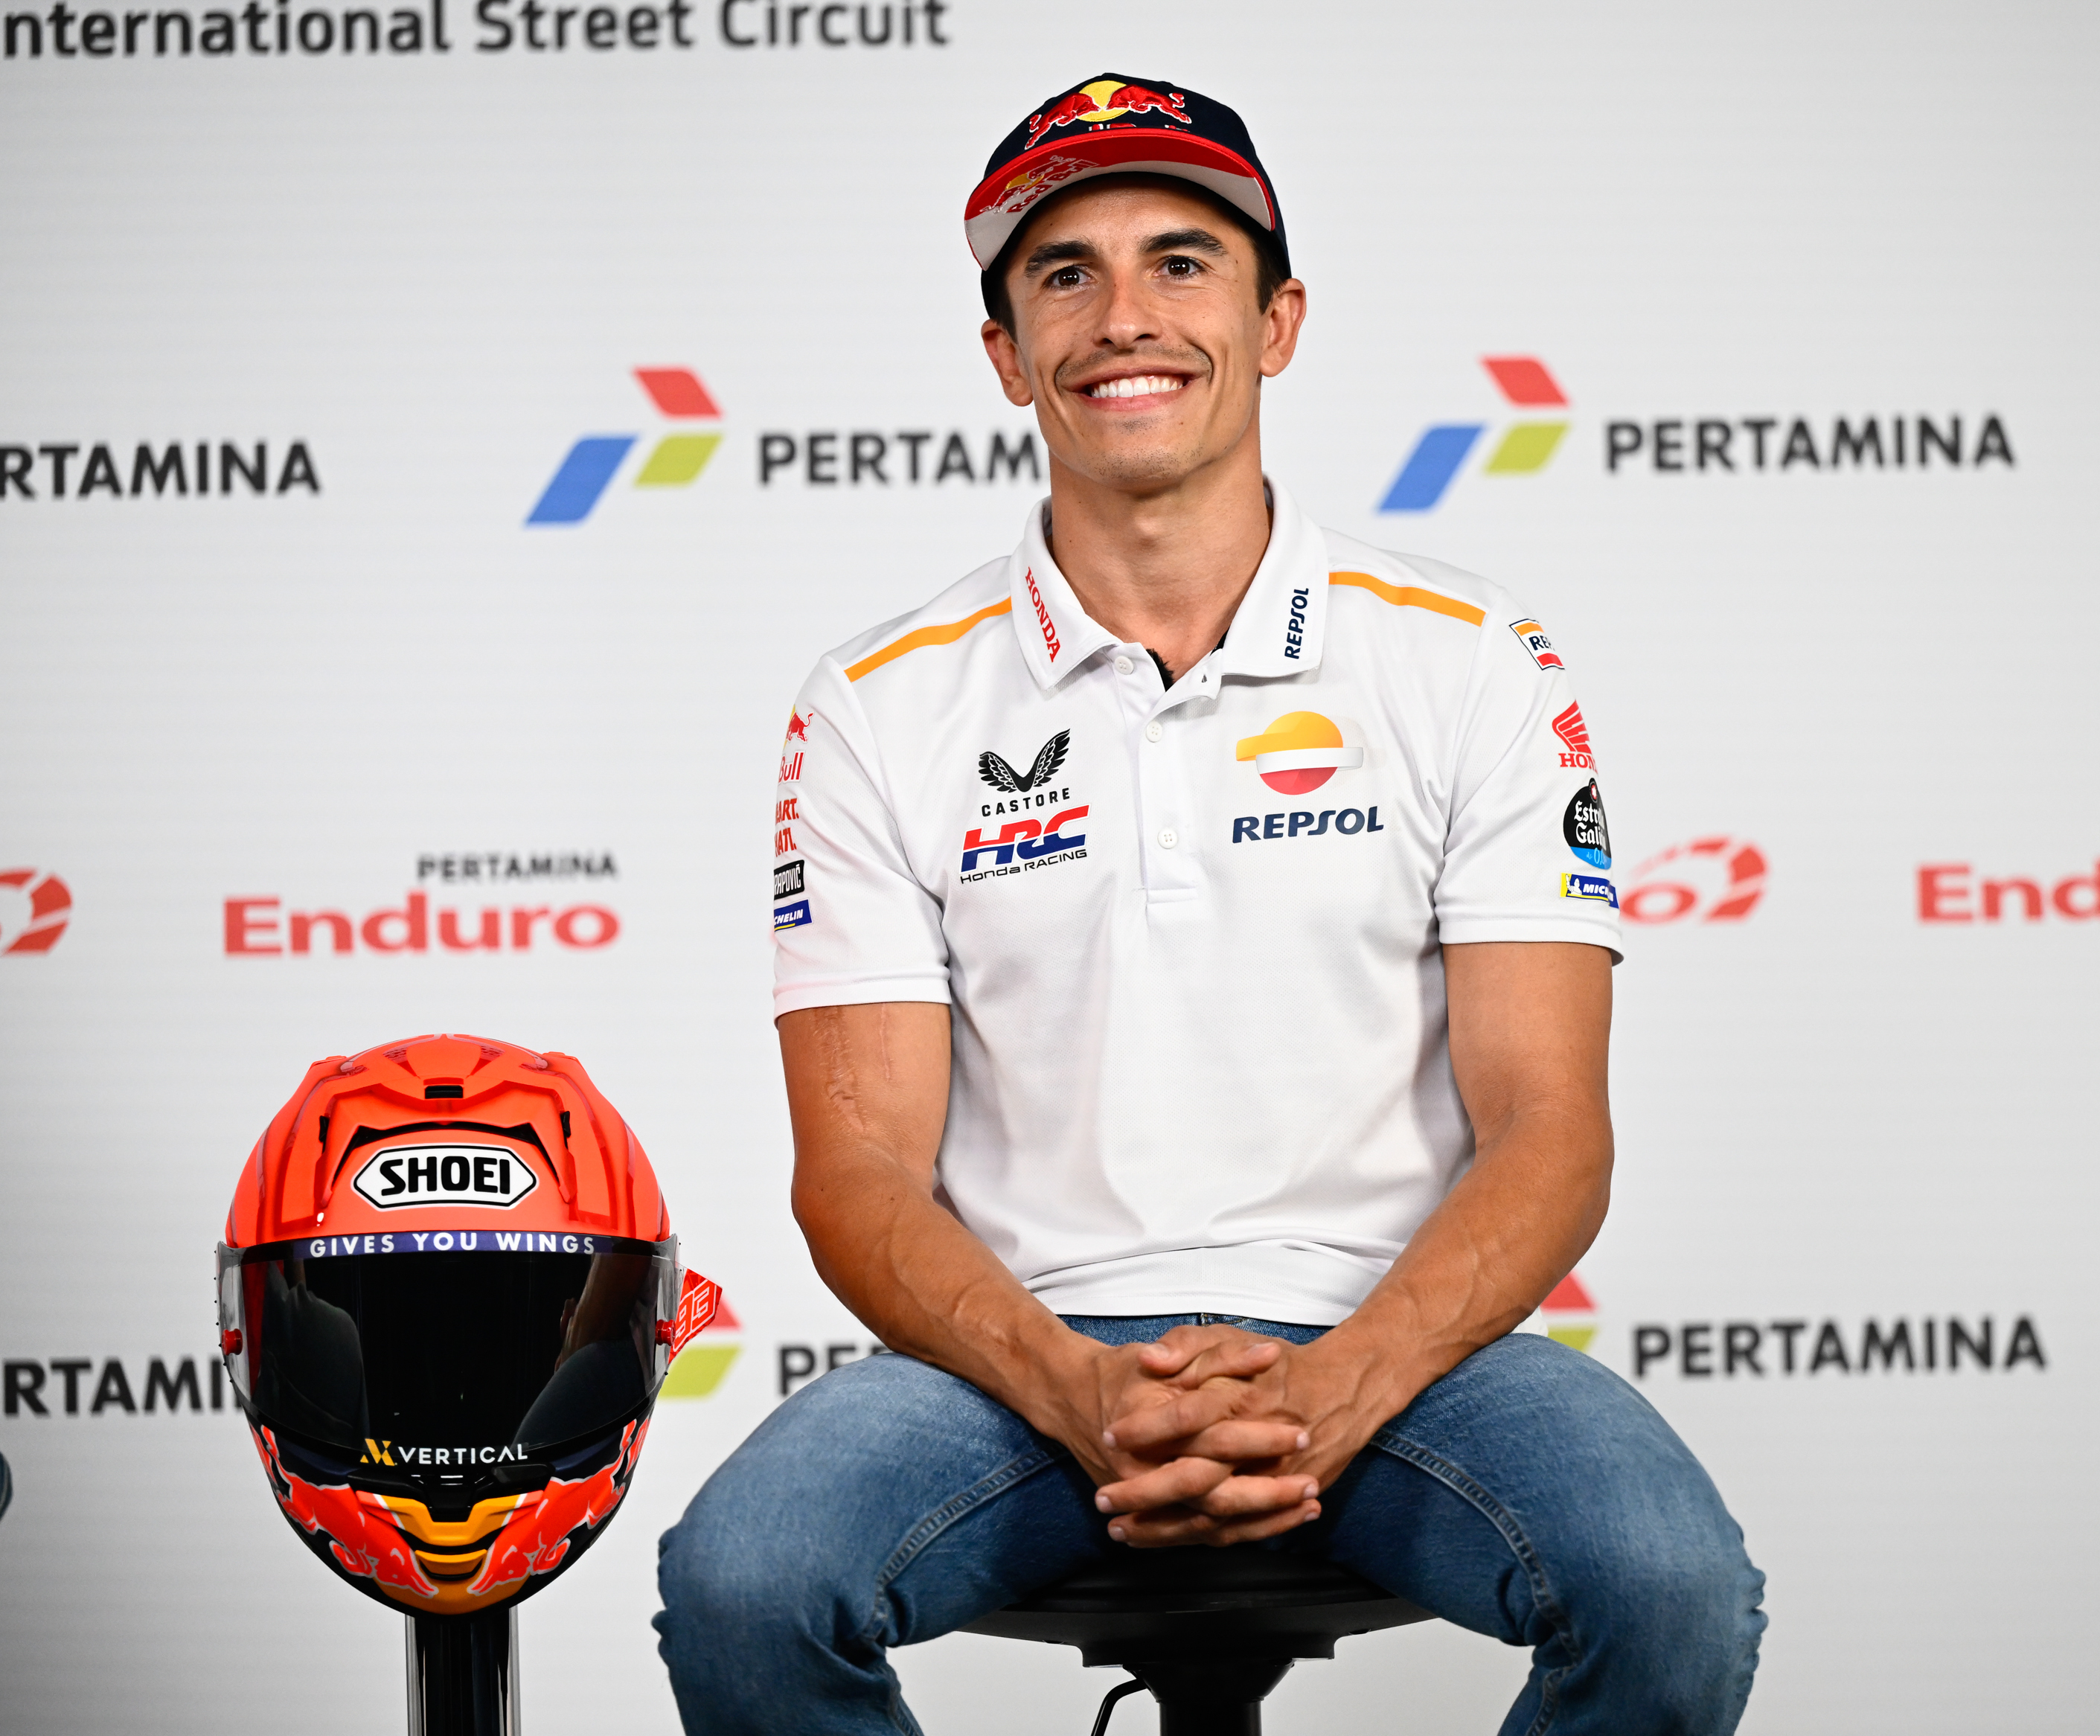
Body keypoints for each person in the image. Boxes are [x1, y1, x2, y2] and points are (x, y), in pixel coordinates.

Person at [655, 74, 1766, 1735]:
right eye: (1066, 274)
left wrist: (1342, 1384)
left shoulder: (1470, 656)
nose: (1126, 317)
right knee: (746, 1581)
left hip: (1403, 1345)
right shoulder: (881, 698)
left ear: (1276, 321)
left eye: (1182, 262)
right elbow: (858, 1170)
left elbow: (1551, 1127)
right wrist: (1077, 1387)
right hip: (1011, 1362)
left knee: (1665, 1587)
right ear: (1005, 353)